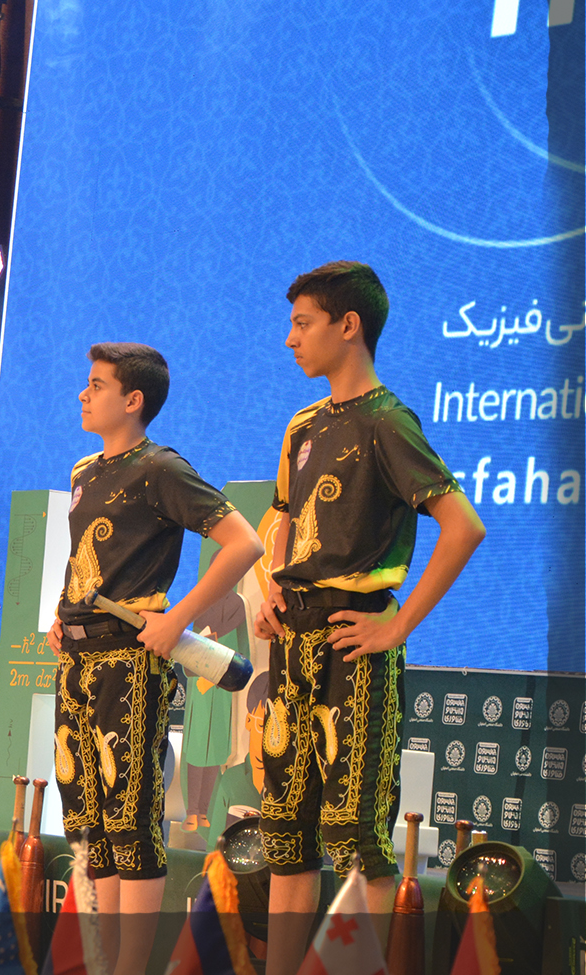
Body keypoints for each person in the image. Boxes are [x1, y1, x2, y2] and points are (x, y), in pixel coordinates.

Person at [254, 263, 484, 975]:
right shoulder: (302, 425)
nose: (290, 338)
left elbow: (464, 525)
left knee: (356, 840)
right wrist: (271, 588)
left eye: (303, 323)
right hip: (292, 646)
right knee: (285, 835)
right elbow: (282, 518)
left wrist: (396, 625)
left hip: (354, 651)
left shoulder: (387, 421)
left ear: (348, 325)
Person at [47, 343, 265, 975]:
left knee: (129, 815)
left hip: (130, 662)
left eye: (97, 385)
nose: (84, 394)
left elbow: (244, 542)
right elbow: (86, 562)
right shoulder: (84, 472)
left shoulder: (160, 468)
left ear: (133, 400)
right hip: (77, 660)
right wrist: (63, 614)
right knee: (87, 817)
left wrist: (178, 618)